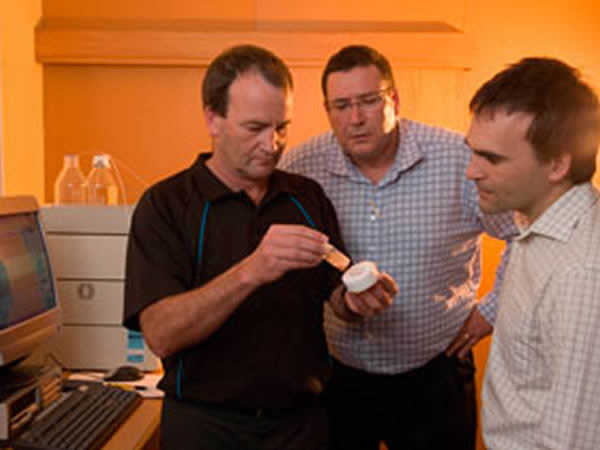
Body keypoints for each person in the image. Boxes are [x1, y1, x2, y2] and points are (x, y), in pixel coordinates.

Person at [122, 44, 397, 450]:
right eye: (255, 128)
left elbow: (334, 297)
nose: (273, 144)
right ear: (212, 119)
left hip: (303, 427)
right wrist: (253, 270)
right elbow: (161, 335)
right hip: (204, 427)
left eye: (281, 126)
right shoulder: (166, 205)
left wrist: (355, 301)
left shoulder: (307, 197)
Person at [279, 45, 517, 450]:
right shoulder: (301, 166)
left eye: (369, 101)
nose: (356, 118)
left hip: (435, 374)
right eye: (341, 106)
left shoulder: (457, 157)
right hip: (340, 375)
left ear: (394, 99)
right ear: (328, 110)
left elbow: (522, 233)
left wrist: (490, 313)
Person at [466, 57, 600, 449]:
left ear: (557, 164)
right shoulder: (533, 224)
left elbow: (573, 441)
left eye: (491, 158)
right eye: (472, 152)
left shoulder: (583, 274)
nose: (470, 171)